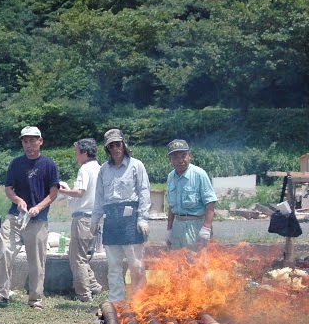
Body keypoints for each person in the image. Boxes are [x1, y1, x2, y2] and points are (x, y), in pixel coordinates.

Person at [0, 126, 60, 309]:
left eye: (32, 140)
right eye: (25, 141)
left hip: (38, 218)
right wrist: (18, 200)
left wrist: (38, 207)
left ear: (40, 141)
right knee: (6, 250)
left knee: (36, 260)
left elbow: (54, 193)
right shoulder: (16, 163)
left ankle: (35, 298)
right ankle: (2, 292)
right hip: (16, 215)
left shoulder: (49, 164)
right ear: (22, 143)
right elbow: (8, 188)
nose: (29, 145)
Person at [90, 129, 151, 303]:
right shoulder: (104, 170)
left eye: (118, 144)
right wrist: (95, 221)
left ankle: (140, 301)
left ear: (124, 145)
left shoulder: (136, 165)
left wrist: (142, 218)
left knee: (136, 265)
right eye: (111, 146)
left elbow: (144, 192)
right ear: (107, 149)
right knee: (114, 266)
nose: (116, 148)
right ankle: (117, 301)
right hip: (111, 219)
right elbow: (99, 196)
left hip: (131, 218)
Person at [58, 138, 103, 302]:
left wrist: (64, 191)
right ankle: (94, 285)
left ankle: (83, 293)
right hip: (95, 218)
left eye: (77, 152)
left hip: (83, 218)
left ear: (84, 152)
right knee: (80, 255)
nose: (76, 156)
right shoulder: (100, 168)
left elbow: (80, 192)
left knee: (78, 258)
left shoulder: (85, 169)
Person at [165, 139, 217, 251]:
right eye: (175, 157)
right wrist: (169, 230)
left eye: (183, 156)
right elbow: (171, 206)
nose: (180, 160)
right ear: (170, 160)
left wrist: (206, 228)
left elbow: (210, 202)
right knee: (177, 263)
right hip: (177, 225)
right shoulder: (170, 177)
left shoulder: (199, 174)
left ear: (190, 156)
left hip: (196, 226)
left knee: (196, 264)